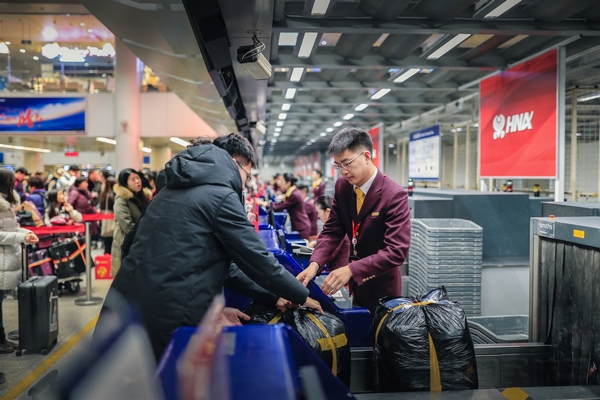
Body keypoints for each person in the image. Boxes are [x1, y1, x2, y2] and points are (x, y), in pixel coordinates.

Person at [100, 134, 322, 360]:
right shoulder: (221, 195)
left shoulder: (169, 191)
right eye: (247, 175)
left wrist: (272, 297)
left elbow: (211, 262)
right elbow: (257, 258)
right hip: (166, 311)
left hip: (125, 302)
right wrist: (300, 294)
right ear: (235, 163)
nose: (245, 183)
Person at [297, 127, 411, 314]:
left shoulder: (393, 195)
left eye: (347, 163)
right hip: (355, 285)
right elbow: (332, 230)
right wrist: (314, 264)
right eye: (338, 166)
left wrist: (352, 269)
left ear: (366, 156)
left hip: (382, 288)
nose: (343, 171)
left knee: (380, 336)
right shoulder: (343, 186)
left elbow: (396, 251)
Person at [0, 168, 39, 353]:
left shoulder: (8, 204)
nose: (15, 183)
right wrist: (20, 237)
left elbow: (14, 228)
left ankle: (0, 338)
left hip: (7, 258)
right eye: (12, 181)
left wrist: (27, 233)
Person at [110, 169, 151, 277]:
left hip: (140, 241)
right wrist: (146, 233)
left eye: (138, 178)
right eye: (133, 179)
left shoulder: (143, 197)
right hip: (127, 243)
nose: (137, 181)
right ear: (125, 183)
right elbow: (127, 226)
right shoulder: (121, 200)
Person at [311, 195, 350, 272]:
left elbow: (328, 255)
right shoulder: (332, 227)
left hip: (339, 276)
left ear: (328, 211)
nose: (318, 216)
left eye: (319, 212)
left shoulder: (337, 229)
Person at [272, 173, 311, 240]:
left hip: (302, 228)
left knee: (300, 249)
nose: (280, 184)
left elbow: (280, 206)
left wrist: (266, 205)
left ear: (288, 183)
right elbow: (281, 203)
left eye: (282, 181)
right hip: (299, 226)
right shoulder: (291, 192)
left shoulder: (294, 195)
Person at [99, 177, 116, 254]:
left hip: (105, 222)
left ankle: (105, 263)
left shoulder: (103, 194)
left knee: (107, 246)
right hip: (112, 221)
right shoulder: (113, 195)